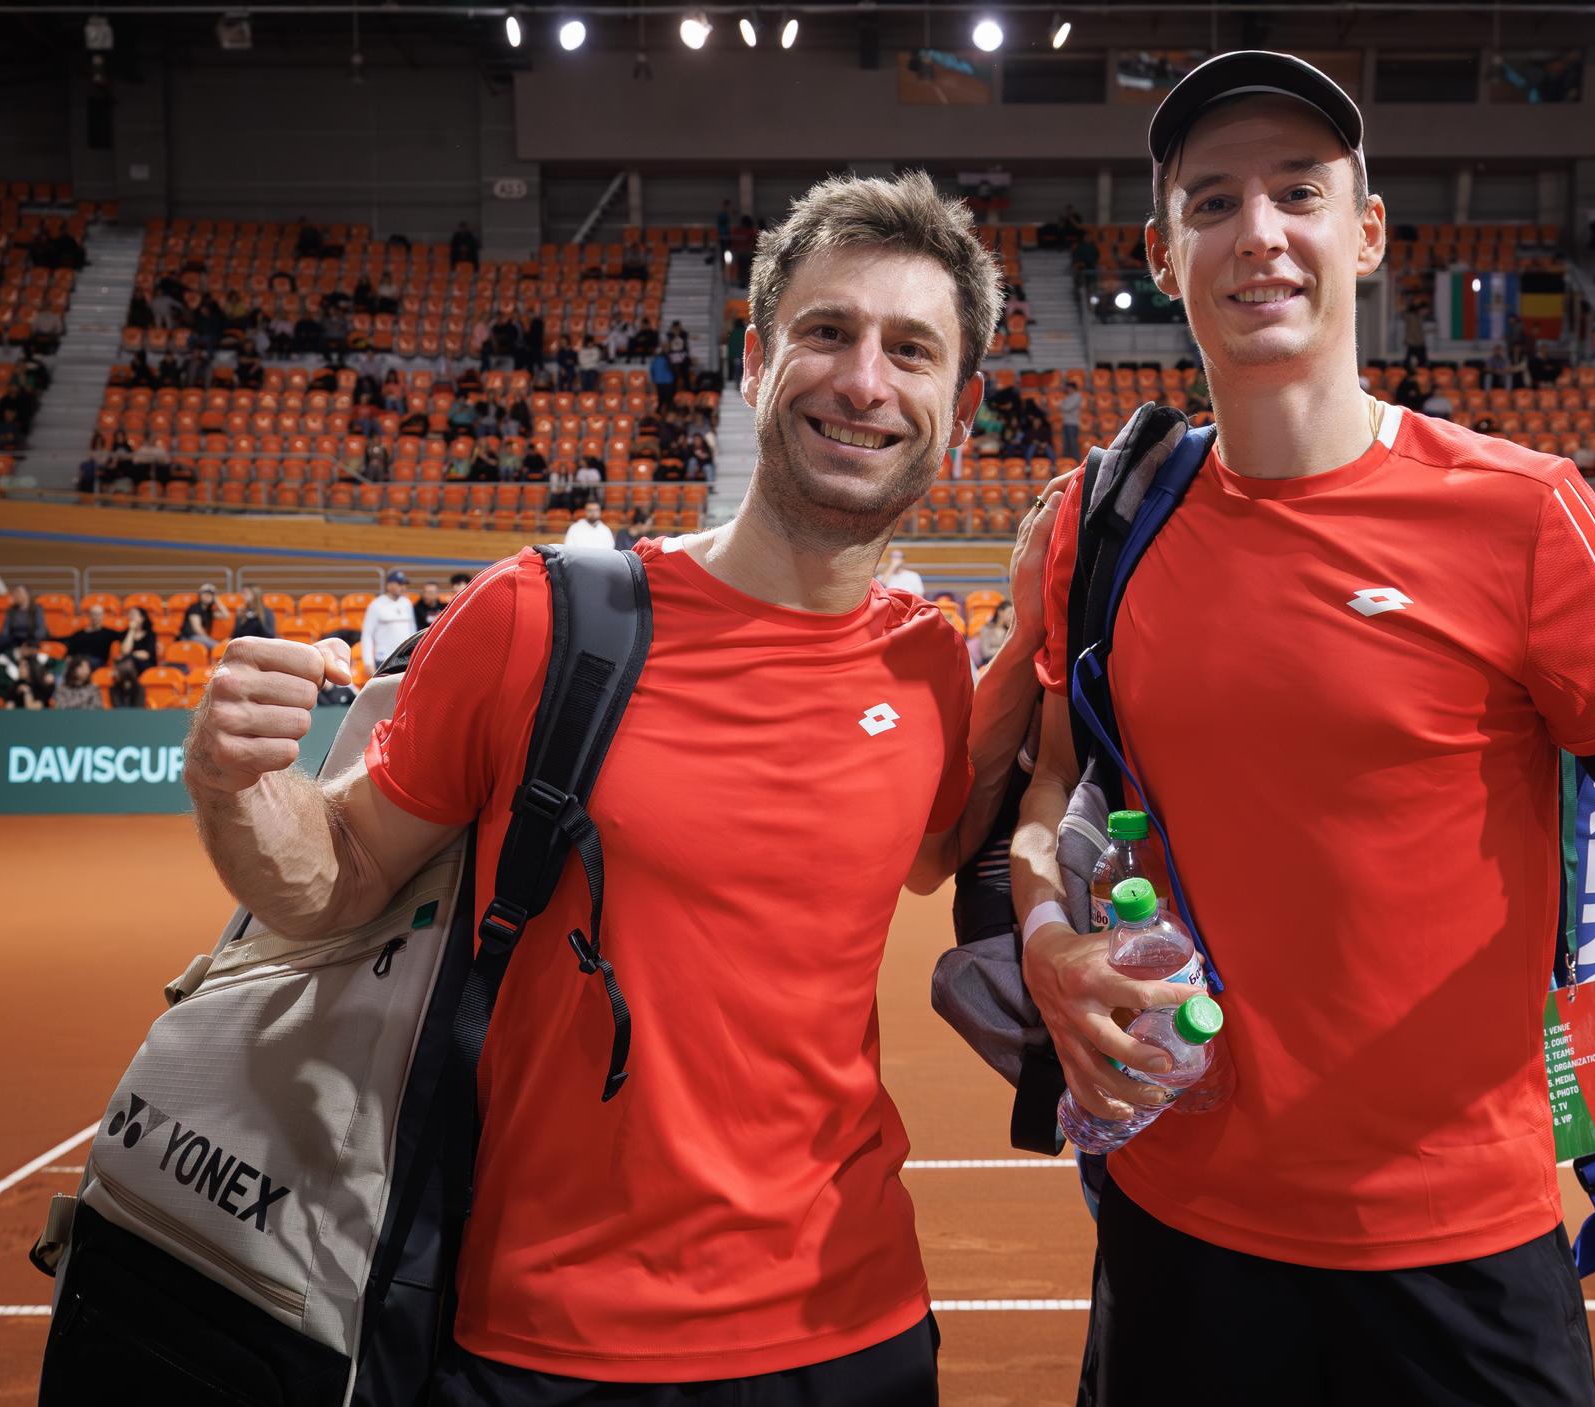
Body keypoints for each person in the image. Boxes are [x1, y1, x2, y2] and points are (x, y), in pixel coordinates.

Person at [1009, 53, 1595, 1407]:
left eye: (1299, 192)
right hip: (1180, 1234)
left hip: (1457, 1250)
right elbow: (1049, 792)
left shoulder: (1526, 513)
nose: (1257, 231)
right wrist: (1046, 939)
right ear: (1166, 255)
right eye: (1211, 203)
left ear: (1369, 233)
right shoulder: (1106, 519)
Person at [181, 169, 1054, 1406]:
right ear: (755, 362)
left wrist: (1040, 617)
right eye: (827, 332)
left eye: (911, 351)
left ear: (958, 409)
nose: (866, 380)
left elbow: (939, 844)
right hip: (552, 1342)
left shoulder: (923, 664)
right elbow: (340, 877)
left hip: (855, 1328)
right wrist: (233, 784)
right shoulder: (539, 618)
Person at [359, 570, 419, 672]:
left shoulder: (407, 603)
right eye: (400, 584)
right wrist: (368, 661)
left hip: (405, 659)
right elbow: (367, 634)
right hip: (384, 659)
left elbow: (412, 630)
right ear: (389, 585)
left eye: (404, 584)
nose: (403, 588)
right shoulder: (376, 605)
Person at [113, 605, 160, 707]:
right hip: (129, 666)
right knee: (127, 662)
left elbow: (146, 655)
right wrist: (131, 630)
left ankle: (126, 693)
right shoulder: (126, 633)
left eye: (134, 614)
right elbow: (125, 650)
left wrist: (131, 655)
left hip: (145, 665)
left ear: (142, 618)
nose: (131, 617)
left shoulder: (150, 634)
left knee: (127, 661)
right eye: (130, 614)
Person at [179, 584, 230, 648]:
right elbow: (197, 629)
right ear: (200, 595)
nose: (207, 596)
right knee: (218, 647)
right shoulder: (194, 608)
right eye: (205, 593)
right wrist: (208, 639)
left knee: (220, 647)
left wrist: (217, 600)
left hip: (199, 638)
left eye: (210, 594)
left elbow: (226, 615)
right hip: (188, 638)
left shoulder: (209, 611)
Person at [1, 584, 47, 653]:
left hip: (31, 638)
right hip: (14, 639)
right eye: (15, 593)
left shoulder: (36, 609)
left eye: (18, 593)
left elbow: (40, 629)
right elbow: (5, 630)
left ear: (26, 594)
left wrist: (30, 642)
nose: (16, 595)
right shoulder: (11, 611)